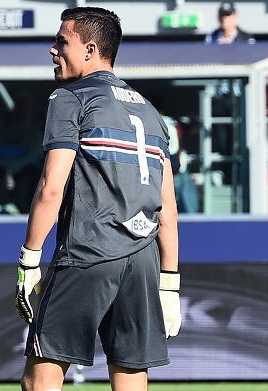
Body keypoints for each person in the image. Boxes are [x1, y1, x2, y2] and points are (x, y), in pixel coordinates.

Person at [14, 7, 180, 391]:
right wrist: (169, 282)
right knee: (131, 381)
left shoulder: (69, 97)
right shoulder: (151, 112)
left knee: (39, 380)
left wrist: (29, 260)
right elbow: (167, 210)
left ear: (90, 50)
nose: (52, 50)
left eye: (61, 41)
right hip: (143, 260)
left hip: (87, 252)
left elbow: (50, 187)